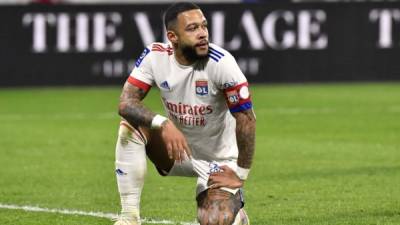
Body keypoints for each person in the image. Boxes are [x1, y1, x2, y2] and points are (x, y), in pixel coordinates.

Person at [114, 2, 256, 225]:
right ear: (173, 36)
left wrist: (240, 173)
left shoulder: (222, 63)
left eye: (204, 26)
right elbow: (126, 103)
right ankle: (129, 217)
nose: (202, 34)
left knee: (214, 219)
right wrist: (163, 123)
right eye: (192, 28)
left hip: (220, 162)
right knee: (130, 124)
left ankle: (235, 210)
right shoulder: (155, 56)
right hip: (179, 152)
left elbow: (246, 119)